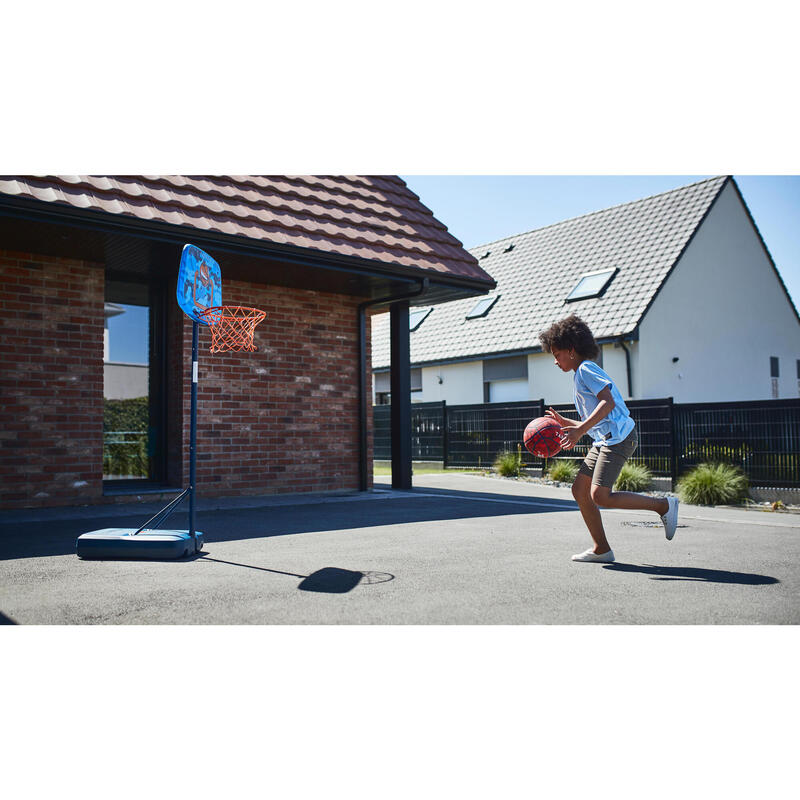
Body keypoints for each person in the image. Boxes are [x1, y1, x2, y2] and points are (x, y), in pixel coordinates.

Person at [539, 314, 679, 563]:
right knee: (580, 490)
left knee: (600, 496)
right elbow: (600, 418)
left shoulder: (585, 369)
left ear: (571, 351)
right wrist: (568, 424)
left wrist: (579, 430)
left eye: (557, 354)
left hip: (618, 439)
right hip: (604, 440)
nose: (555, 361)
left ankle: (664, 506)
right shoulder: (579, 374)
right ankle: (601, 549)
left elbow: (608, 402)